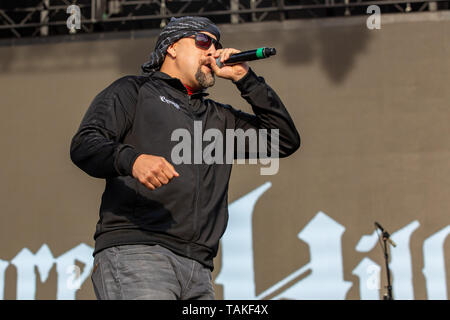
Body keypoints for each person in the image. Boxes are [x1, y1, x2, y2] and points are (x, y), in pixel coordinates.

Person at [70, 16, 300, 300]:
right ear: (172, 47)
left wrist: (246, 79)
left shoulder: (220, 119)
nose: (213, 51)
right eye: (203, 41)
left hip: (199, 269)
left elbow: (284, 140)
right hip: (139, 253)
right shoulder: (134, 91)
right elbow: (85, 143)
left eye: (217, 45)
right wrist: (132, 160)